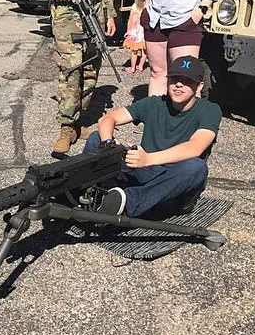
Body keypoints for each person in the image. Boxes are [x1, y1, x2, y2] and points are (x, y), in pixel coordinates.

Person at [83, 56, 222, 218]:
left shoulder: (210, 110)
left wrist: (148, 159)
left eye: (187, 81)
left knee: (196, 167)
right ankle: (87, 189)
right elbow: (108, 119)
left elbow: (195, 147)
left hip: (175, 187)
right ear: (167, 81)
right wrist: (109, 143)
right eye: (175, 79)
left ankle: (127, 204)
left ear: (199, 86)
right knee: (96, 138)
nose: (179, 84)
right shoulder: (154, 103)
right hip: (144, 173)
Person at [22, 0, 119, 156]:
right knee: (71, 68)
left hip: (95, 9)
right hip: (68, 10)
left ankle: (77, 122)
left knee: (91, 67)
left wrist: (110, 14)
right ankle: (66, 128)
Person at [140, 0, 222, 96]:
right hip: (155, 20)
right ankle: (155, 111)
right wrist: (146, 5)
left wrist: (201, 9)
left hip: (185, 20)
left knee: (186, 76)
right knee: (157, 72)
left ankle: (187, 112)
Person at [123, 0, 147, 74]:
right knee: (144, 50)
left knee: (134, 51)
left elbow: (130, 20)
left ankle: (133, 68)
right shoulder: (147, 6)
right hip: (144, 31)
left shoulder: (134, 6)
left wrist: (128, 30)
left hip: (135, 31)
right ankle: (140, 66)